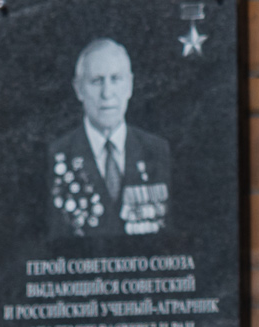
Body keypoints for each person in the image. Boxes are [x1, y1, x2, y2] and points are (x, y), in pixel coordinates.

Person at [50, 39, 171, 239]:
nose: (107, 93)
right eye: (97, 81)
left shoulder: (158, 151)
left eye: (116, 79)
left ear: (130, 86)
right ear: (79, 89)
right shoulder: (55, 156)